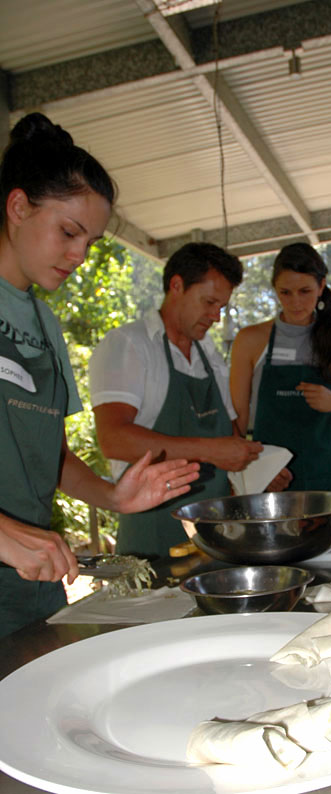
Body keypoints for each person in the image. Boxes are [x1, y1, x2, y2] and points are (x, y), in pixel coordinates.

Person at [0, 112, 199, 638]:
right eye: (68, 232)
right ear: (18, 206)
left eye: (90, 242)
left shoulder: (43, 325)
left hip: (31, 580)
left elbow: (52, 457)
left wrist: (114, 497)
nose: (79, 256)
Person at [89, 242, 270, 559]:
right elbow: (114, 439)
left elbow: (229, 436)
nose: (215, 316)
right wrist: (209, 450)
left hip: (213, 538)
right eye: (209, 302)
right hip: (153, 535)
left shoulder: (209, 355)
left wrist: (256, 466)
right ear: (176, 286)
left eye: (221, 307)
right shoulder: (130, 345)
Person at [229, 242, 331, 492]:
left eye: (305, 291)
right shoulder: (250, 340)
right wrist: (255, 469)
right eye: (286, 292)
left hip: (329, 477)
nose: (295, 302)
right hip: (272, 481)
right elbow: (237, 425)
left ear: (321, 286)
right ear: (275, 289)